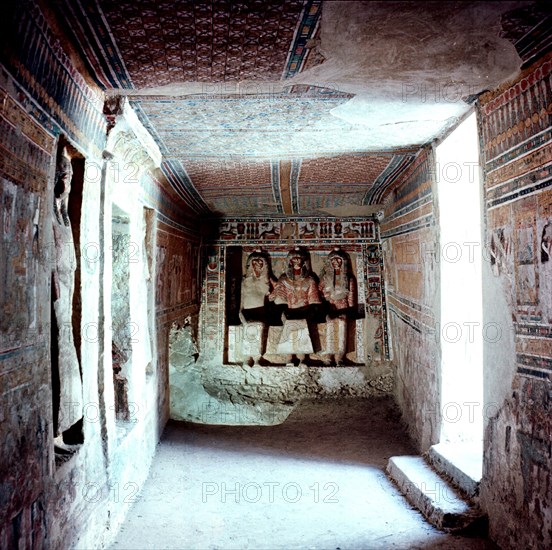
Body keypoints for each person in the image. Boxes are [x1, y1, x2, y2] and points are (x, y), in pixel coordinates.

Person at [270, 247, 321, 366]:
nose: (297, 263)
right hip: (290, 311)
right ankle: (289, 358)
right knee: (289, 328)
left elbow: (314, 299)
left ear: (304, 262)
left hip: (305, 310)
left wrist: (311, 312)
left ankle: (302, 358)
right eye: (294, 260)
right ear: (290, 262)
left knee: (302, 330)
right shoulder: (283, 279)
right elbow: (279, 299)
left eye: (299, 260)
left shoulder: (310, 279)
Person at [319, 247, 356, 365]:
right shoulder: (326, 278)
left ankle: (340, 356)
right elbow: (318, 291)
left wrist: (351, 308)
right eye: (333, 261)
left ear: (343, 262)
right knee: (330, 327)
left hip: (343, 306)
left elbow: (351, 295)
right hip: (330, 306)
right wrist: (326, 296)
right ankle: (329, 355)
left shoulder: (348, 279)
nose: (336, 263)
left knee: (342, 328)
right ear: (329, 263)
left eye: (338, 260)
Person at [239, 249, 275, 366]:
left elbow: (274, 296)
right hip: (247, 311)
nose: (257, 267)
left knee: (257, 328)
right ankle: (247, 357)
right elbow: (242, 299)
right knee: (248, 329)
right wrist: (240, 313)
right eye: (254, 264)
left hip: (261, 312)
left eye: (260, 264)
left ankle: (257, 357)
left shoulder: (266, 281)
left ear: (264, 266)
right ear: (250, 265)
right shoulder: (245, 281)